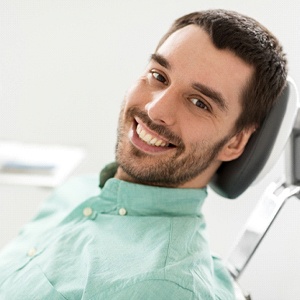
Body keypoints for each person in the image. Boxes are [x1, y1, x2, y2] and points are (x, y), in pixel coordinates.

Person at [0, 9, 287, 299]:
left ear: (235, 143)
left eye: (199, 103)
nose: (155, 109)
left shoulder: (163, 287)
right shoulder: (77, 192)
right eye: (158, 76)